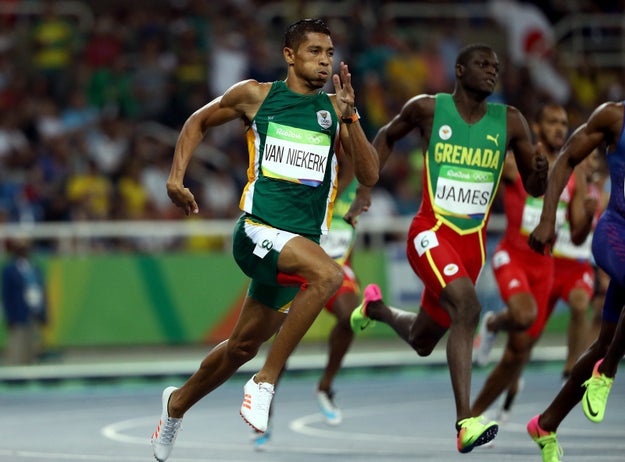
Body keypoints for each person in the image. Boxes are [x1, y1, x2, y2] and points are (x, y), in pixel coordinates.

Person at [150, 18, 379, 462]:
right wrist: (176, 177)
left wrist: (351, 116)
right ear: (290, 55)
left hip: (298, 247)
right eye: (315, 52)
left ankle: (175, 405)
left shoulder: (336, 110)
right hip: (256, 231)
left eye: (330, 54)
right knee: (330, 277)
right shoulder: (256, 96)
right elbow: (197, 122)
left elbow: (369, 175)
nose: (325, 61)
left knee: (240, 346)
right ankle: (266, 381)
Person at [345, 43, 549, 453]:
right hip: (430, 232)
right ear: (458, 69)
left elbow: (534, 188)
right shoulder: (427, 108)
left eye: (496, 66)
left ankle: (375, 309)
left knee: (423, 340)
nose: (492, 71)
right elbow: (386, 135)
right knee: (469, 308)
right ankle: (465, 422)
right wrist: (365, 189)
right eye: (482, 64)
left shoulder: (510, 122)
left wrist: (541, 174)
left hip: (470, 247)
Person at [471, 105, 600, 425]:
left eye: (564, 123)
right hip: (512, 256)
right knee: (523, 315)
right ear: (538, 127)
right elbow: (483, 171)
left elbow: (578, 231)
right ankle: (492, 325)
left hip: (545, 267)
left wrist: (588, 212)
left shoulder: (574, 176)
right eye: (552, 122)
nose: (559, 128)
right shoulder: (519, 164)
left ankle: (475, 415)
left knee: (518, 351)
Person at [527, 100, 625, 462]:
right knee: (609, 351)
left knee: (604, 343)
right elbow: (567, 156)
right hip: (616, 231)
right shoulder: (614, 117)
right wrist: (549, 219)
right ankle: (607, 373)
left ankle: (546, 424)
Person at [252, 157, 365, 450]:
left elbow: (371, 160)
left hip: (337, 269)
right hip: (300, 271)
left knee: (351, 315)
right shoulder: (305, 187)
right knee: (283, 343)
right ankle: (265, 414)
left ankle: (325, 387)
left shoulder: (358, 186)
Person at [1, 237, 48, 365]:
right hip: (18, 314)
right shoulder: (9, 270)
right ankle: (17, 377)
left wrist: (44, 313)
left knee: (33, 348)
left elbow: (42, 290)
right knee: (18, 348)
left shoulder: (34, 268)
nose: (24, 251)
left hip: (34, 312)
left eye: (26, 248)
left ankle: (31, 375)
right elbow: (6, 295)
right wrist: (9, 316)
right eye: (21, 248)